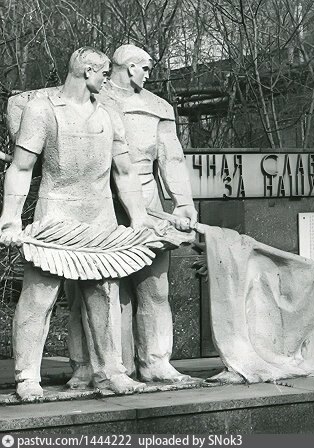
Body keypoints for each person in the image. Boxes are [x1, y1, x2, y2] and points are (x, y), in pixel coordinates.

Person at [0, 47, 154, 401]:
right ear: (87, 71)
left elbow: (124, 171)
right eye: (103, 74)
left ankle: (109, 371)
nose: (107, 81)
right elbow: (21, 168)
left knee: (103, 295)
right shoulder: (42, 109)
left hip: (99, 218)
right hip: (55, 215)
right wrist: (10, 219)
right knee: (39, 297)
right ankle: (27, 375)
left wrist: (140, 217)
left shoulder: (109, 113)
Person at [66, 44, 198, 386]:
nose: (149, 74)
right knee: (95, 289)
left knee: (155, 287)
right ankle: (92, 367)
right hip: (100, 201)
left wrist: (183, 202)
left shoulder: (158, 107)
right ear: (128, 67)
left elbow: (171, 158)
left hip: (148, 200)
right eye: (146, 68)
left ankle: (156, 361)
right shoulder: (91, 96)